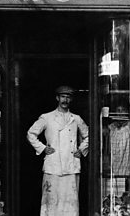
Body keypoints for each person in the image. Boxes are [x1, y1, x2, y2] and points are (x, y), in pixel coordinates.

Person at [27, 86, 89, 216]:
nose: (65, 100)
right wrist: (43, 148)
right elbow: (31, 134)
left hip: (71, 165)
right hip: (53, 166)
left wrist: (81, 149)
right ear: (57, 98)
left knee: (70, 202)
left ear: (71, 99)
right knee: (51, 201)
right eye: (62, 97)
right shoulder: (47, 117)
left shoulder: (76, 118)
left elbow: (89, 135)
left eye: (68, 97)